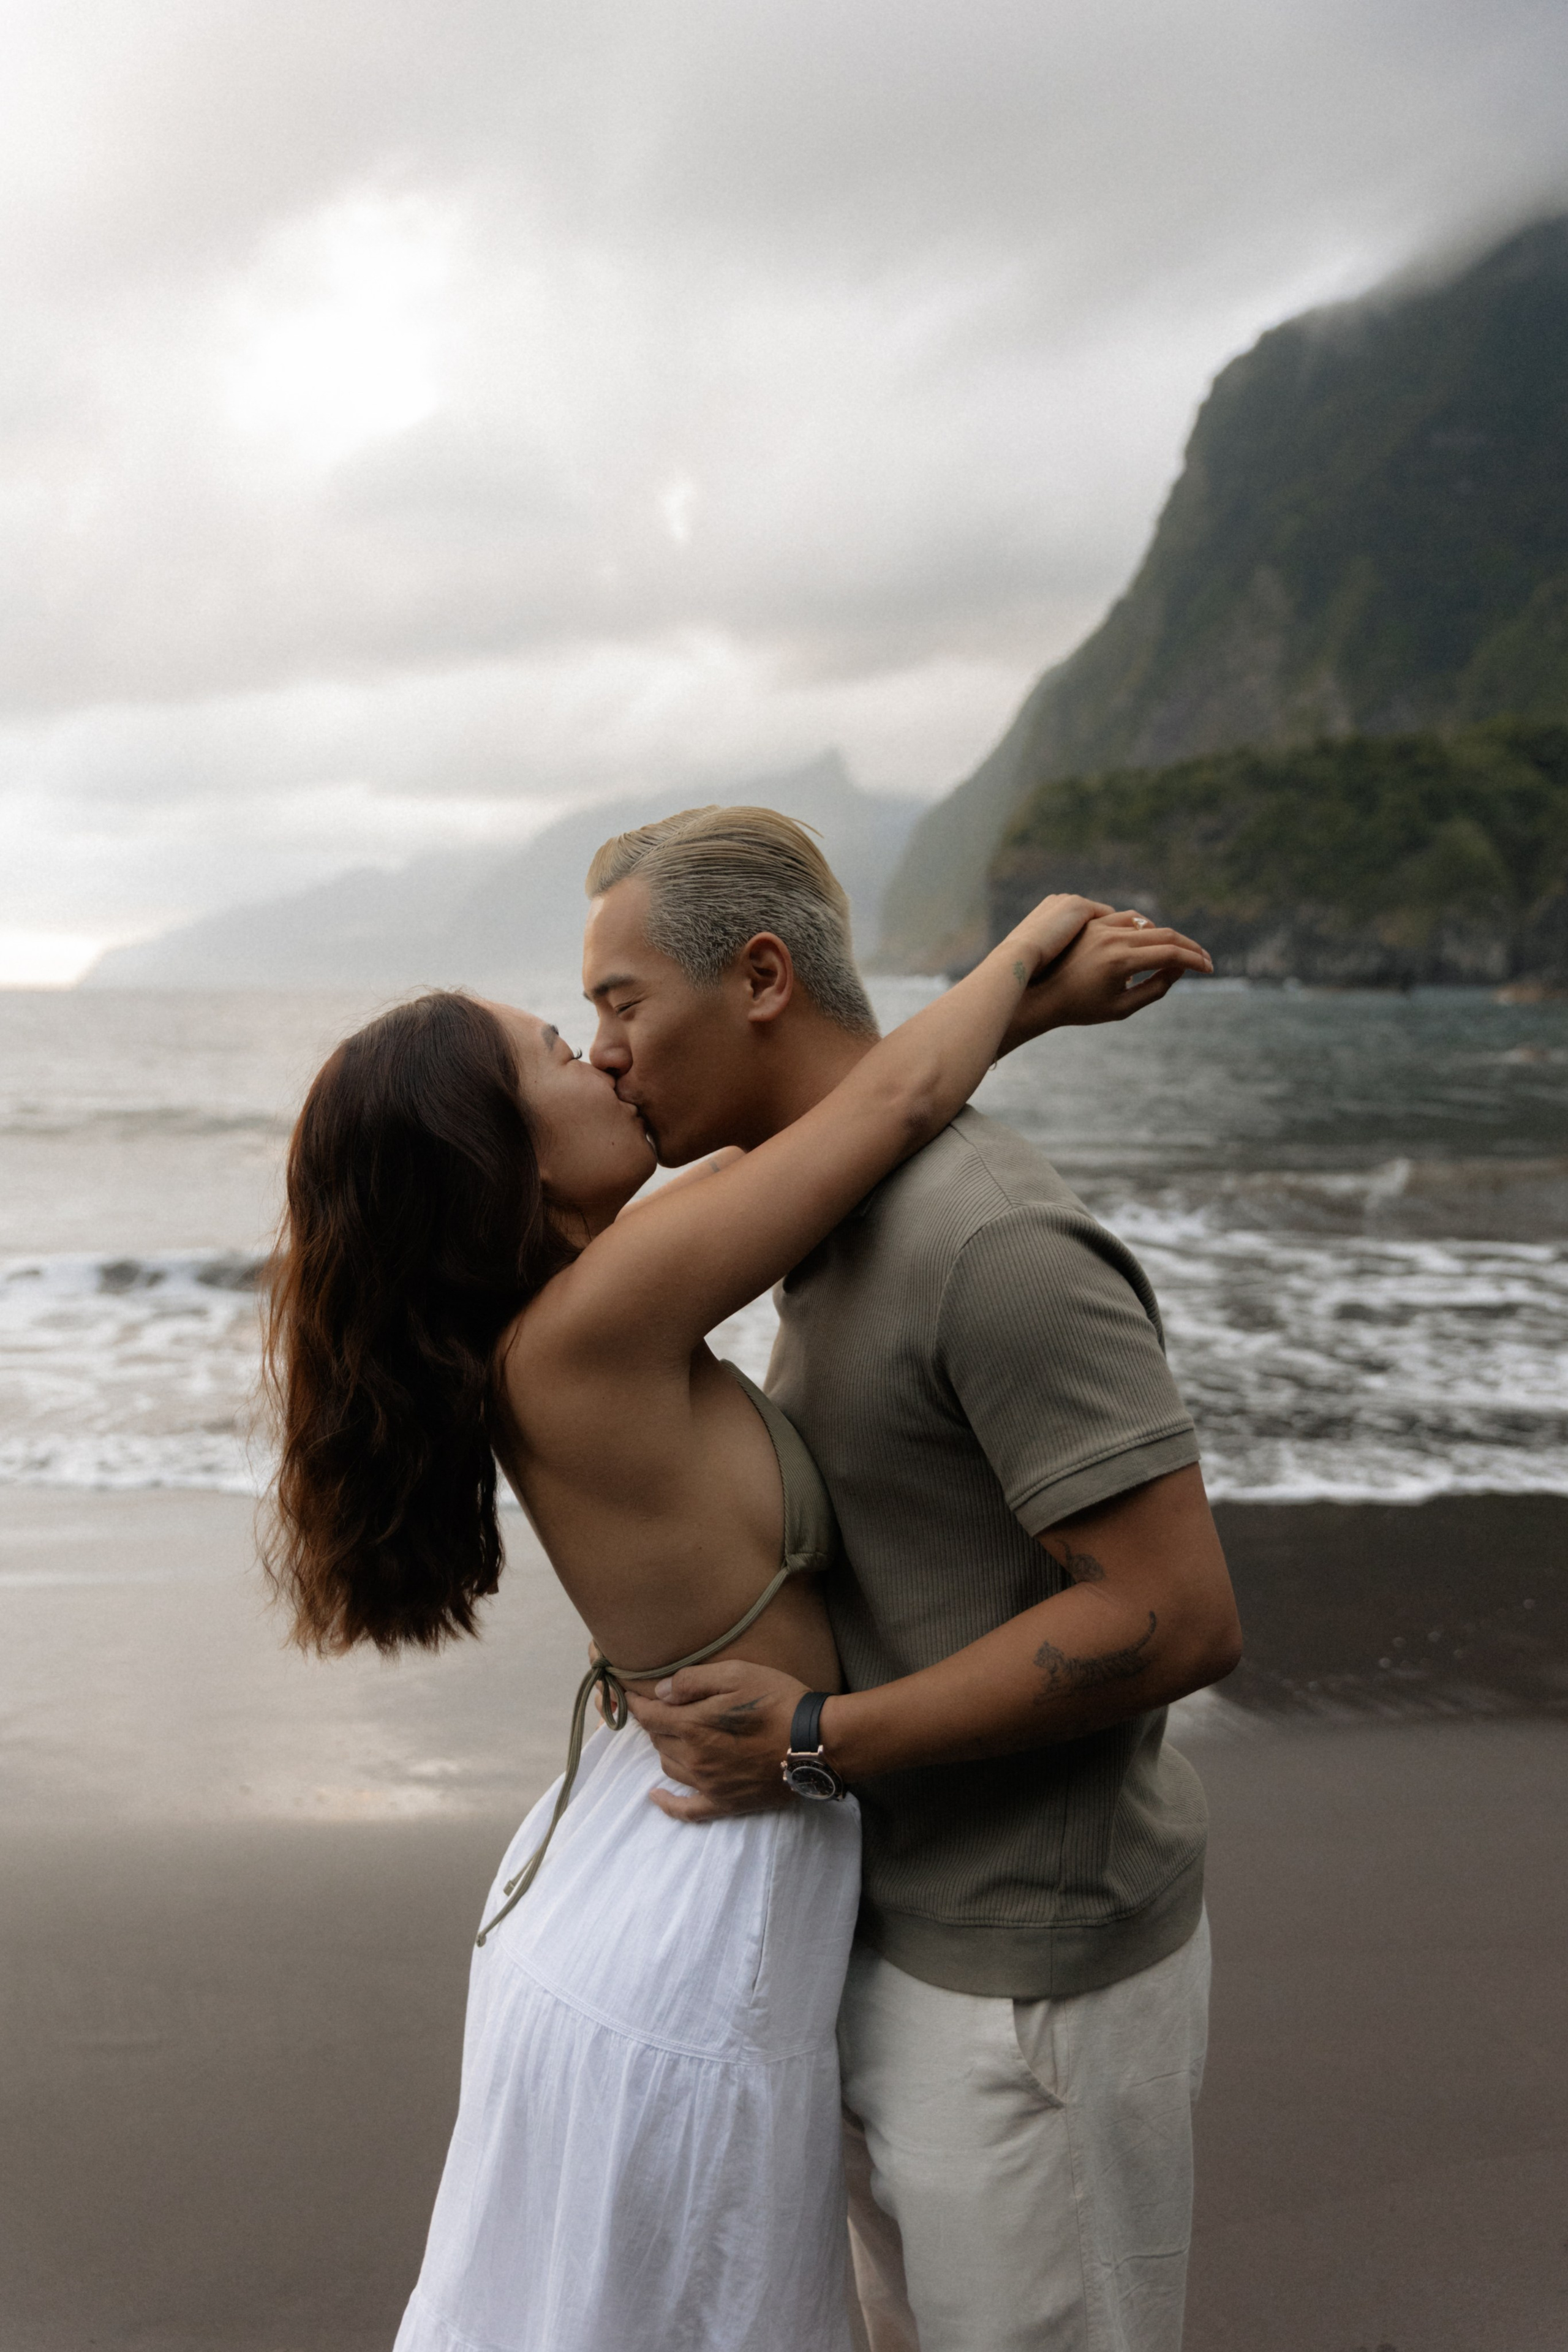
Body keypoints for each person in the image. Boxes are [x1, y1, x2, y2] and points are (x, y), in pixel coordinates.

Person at [260, 829, 1211, 2352]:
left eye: (605, 1014)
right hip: (703, 1890)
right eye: (563, 1049)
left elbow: (849, 1122)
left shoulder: (593, 1311)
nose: (608, 1063)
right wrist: (1024, 960)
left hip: (675, 1875)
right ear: (494, 1159)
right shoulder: (597, 1320)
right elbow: (886, 1097)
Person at [581, 807, 1244, 2352]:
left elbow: (1178, 1611)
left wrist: (812, 1740)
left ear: (756, 979)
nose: (602, 1051)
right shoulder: (825, 1223)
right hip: (890, 1937)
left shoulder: (988, 1240)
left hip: (1031, 1985)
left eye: (622, 1003)